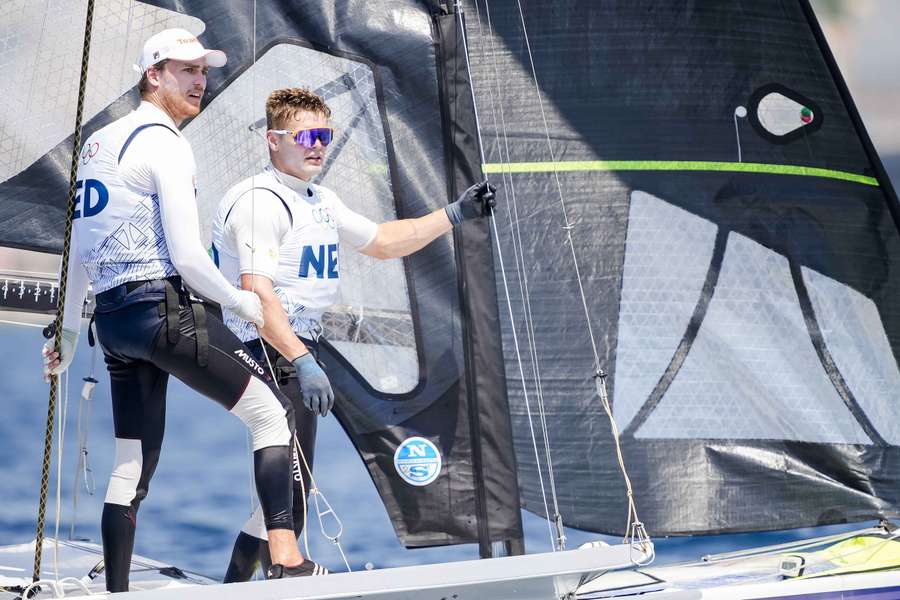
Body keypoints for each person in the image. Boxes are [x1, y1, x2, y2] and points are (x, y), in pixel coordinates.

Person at [41, 30, 322, 590]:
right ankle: (287, 559)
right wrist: (243, 303)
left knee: (130, 463)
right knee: (273, 415)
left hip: (114, 323)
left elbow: (78, 248)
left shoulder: (96, 142)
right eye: (187, 71)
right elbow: (190, 258)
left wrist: (70, 332)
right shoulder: (165, 142)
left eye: (203, 71)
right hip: (162, 313)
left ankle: (116, 590)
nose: (200, 81)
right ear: (154, 75)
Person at [212, 87, 495, 581]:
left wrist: (454, 214)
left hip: (298, 342)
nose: (318, 145)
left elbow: (384, 242)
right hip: (262, 342)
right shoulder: (261, 202)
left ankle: (234, 589)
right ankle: (284, 569)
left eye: (325, 135)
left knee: (288, 497)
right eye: (306, 136)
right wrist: (301, 360)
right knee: (289, 483)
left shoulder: (320, 199)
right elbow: (258, 295)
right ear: (274, 141)